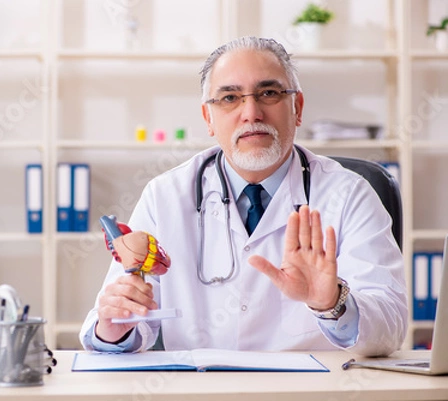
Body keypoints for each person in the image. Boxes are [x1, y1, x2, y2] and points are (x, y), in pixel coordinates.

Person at [79, 36, 407, 357]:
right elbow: (121, 319)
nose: (251, 113)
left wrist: (332, 302)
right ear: (208, 118)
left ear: (298, 108)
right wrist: (113, 329)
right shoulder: (165, 196)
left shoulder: (349, 194)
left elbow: (391, 327)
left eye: (268, 93)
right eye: (230, 98)